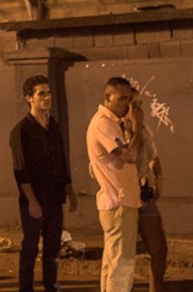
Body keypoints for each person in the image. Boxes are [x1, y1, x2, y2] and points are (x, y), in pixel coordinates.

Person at [10, 75, 76, 292]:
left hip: (55, 196)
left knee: (53, 247)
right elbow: (21, 171)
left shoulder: (53, 126)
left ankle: (51, 285)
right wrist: (32, 201)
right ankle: (25, 288)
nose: (47, 98)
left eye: (48, 93)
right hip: (34, 198)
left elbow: (61, 159)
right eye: (41, 94)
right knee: (30, 247)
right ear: (29, 98)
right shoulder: (21, 131)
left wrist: (69, 190)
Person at [87, 77, 143, 292]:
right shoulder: (104, 124)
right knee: (122, 265)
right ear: (107, 97)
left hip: (119, 201)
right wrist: (137, 128)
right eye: (121, 99)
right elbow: (129, 155)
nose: (126, 105)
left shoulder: (113, 124)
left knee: (114, 263)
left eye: (129, 99)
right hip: (119, 203)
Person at [131, 99, 167, 292]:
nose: (136, 109)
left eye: (138, 104)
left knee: (159, 249)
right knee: (124, 254)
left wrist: (159, 177)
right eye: (131, 103)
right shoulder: (113, 129)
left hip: (143, 194)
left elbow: (153, 156)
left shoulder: (143, 130)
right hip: (125, 198)